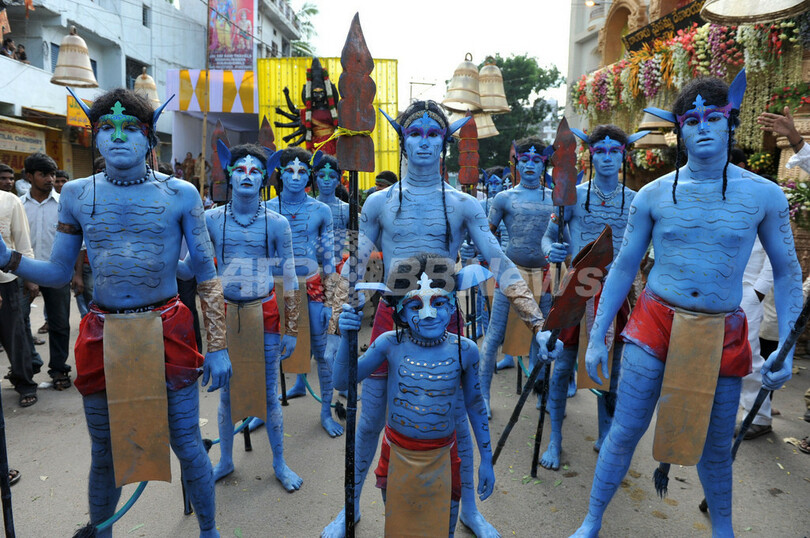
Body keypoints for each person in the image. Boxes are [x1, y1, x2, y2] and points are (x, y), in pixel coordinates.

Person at [572, 76, 801, 537]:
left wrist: (788, 348)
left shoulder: (764, 195)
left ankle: (724, 531)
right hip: (654, 321)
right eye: (692, 120)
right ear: (680, 129)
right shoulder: (654, 195)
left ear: (728, 122)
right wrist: (598, 335)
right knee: (623, 430)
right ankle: (591, 522)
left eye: (713, 118)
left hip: (721, 329)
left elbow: (788, 272)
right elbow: (621, 268)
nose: (703, 129)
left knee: (716, 448)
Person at [322, 100, 561, 538]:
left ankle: (468, 507)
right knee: (371, 419)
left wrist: (537, 322)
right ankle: (350, 505)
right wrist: (339, 323)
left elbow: (499, 261)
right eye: (416, 133)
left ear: (445, 143)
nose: (425, 142)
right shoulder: (378, 203)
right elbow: (353, 264)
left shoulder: (463, 205)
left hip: (444, 325)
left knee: (455, 421)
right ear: (403, 141)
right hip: (392, 323)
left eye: (434, 134)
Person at [0, 88, 231, 537]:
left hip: (167, 328)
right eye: (107, 127)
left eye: (131, 129)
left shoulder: (181, 194)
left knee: (185, 442)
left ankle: (209, 531)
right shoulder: (76, 195)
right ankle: (102, 532)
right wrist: (7, 259)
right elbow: (58, 271)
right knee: (104, 451)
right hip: (103, 334)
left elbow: (206, 274)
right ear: (94, 138)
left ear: (149, 140)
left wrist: (218, 345)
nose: (119, 137)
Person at [333, 254, 494, 537]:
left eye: (440, 302)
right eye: (415, 305)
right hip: (398, 457)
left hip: (443, 459)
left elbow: (476, 406)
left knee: (443, 529)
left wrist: (487, 462)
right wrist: (347, 338)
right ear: (400, 313)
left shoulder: (466, 350)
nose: (428, 314)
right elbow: (342, 381)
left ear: (454, 306)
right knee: (400, 528)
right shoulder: (388, 344)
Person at [183, 143, 303, 491]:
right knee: (226, 394)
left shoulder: (278, 224)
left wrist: (291, 328)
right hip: (224, 316)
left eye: (254, 170)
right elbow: (193, 268)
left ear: (265, 177)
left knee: (268, 394)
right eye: (240, 170)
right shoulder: (212, 220)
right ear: (229, 174)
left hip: (263, 313)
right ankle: (226, 460)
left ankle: (279, 463)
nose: (247, 176)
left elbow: (291, 277)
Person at [541, 124, 648, 468]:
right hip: (575, 289)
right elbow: (548, 238)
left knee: (611, 374)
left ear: (623, 155)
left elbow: (647, 247)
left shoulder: (636, 201)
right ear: (590, 154)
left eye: (613, 151)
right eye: (599, 151)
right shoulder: (571, 195)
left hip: (616, 295)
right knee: (560, 372)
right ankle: (555, 441)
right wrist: (553, 250)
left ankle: (605, 434)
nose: (606, 157)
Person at [266, 147, 345, 437]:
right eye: (290, 171)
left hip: (312, 285)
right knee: (270, 352)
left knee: (322, 354)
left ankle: (325, 412)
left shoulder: (321, 210)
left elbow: (328, 260)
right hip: (276, 286)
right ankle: (264, 409)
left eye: (302, 171)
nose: (296, 177)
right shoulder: (267, 209)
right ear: (280, 174)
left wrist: (330, 302)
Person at [477, 138, 555, 419]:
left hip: (544, 275)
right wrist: (496, 266)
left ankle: (541, 392)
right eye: (525, 160)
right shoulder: (504, 198)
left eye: (536, 160)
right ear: (517, 163)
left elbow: (562, 237)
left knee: (543, 337)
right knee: (493, 336)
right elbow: (487, 236)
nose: (530, 165)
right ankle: (483, 397)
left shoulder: (554, 198)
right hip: (509, 274)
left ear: (543, 162)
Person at [20, 152, 72, 390]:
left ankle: (59, 369)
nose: (50, 179)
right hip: (21, 273)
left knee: (60, 324)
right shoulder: (18, 206)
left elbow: (77, 243)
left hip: (57, 273)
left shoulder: (64, 205)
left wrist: (77, 275)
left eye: (52, 174)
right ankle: (29, 364)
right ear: (30, 176)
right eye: (44, 174)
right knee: (18, 323)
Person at [0, 187, 39, 406]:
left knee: (14, 335)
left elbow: (22, 242)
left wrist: (30, 276)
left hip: (6, 280)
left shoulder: (9, 201)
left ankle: (25, 384)